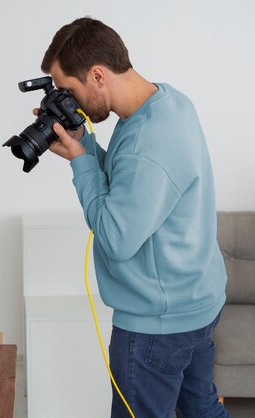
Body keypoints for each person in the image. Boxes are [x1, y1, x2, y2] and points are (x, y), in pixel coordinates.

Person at [40, 17, 229, 417]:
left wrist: (80, 165)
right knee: (203, 410)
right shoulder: (167, 102)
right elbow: (136, 184)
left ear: (96, 75)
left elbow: (115, 237)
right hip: (197, 303)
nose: (68, 100)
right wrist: (86, 146)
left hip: (156, 328)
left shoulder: (146, 141)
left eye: (69, 89)